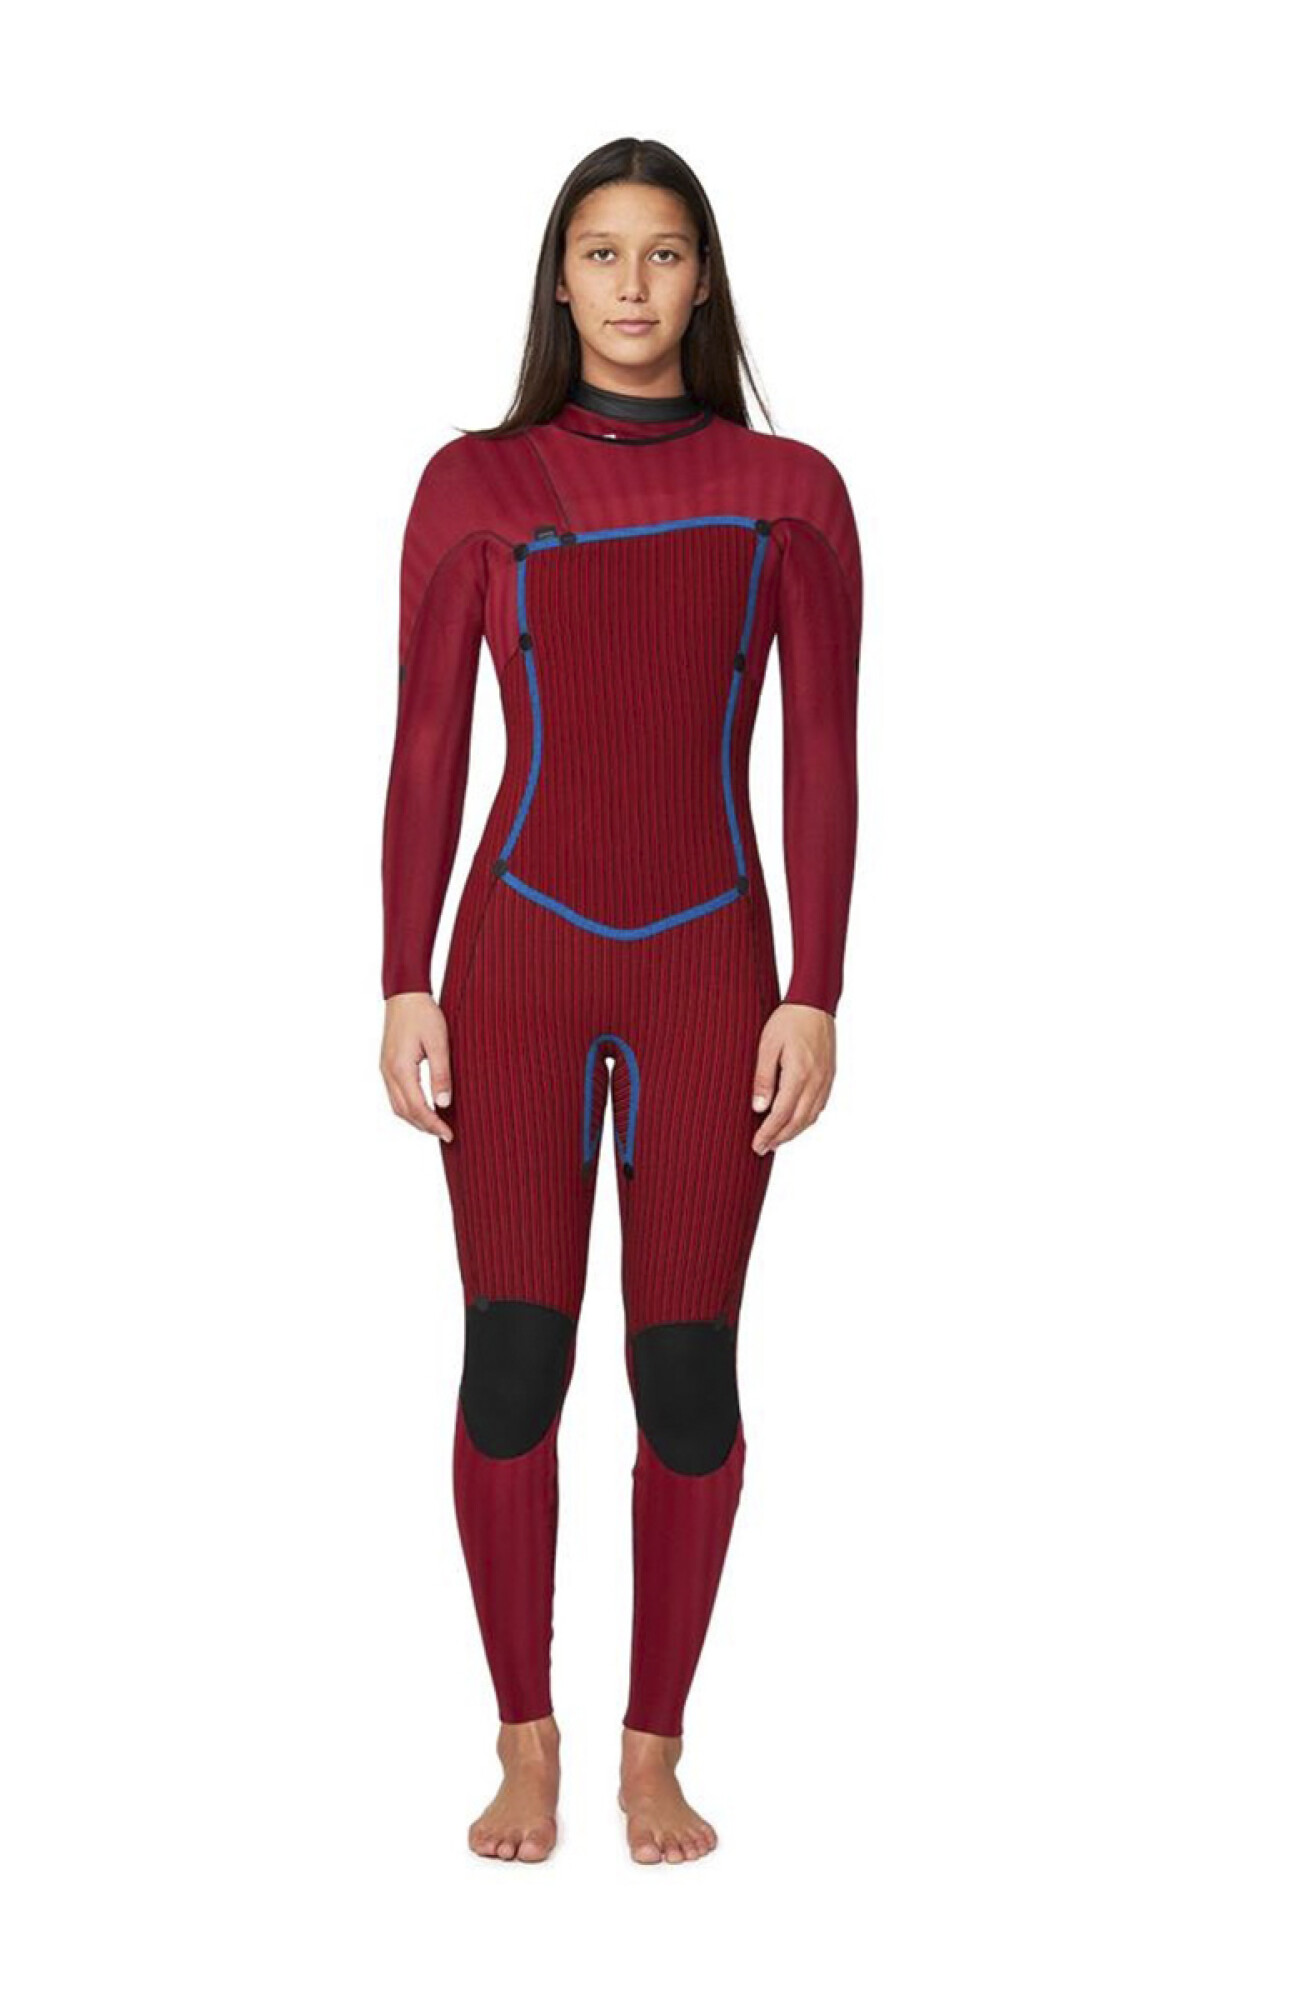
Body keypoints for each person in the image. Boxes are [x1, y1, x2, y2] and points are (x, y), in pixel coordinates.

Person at [379, 136, 862, 1865]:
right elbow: (427, 744)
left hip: (710, 967)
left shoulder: (788, 489)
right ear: (560, 278)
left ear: (702, 277)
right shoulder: (475, 485)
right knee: (513, 1362)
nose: (633, 285)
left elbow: (821, 748)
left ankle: (654, 1752)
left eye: (663, 253)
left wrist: (814, 988)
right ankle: (525, 1743)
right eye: (601, 253)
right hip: (513, 960)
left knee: (687, 1375)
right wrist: (402, 976)